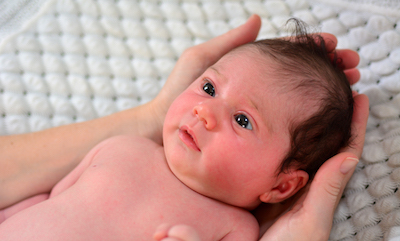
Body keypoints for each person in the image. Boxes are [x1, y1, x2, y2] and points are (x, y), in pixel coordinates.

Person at [0, 15, 369, 241]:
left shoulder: (235, 228)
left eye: (243, 120)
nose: (204, 111)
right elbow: (52, 197)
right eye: (209, 88)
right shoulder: (122, 146)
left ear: (282, 185)